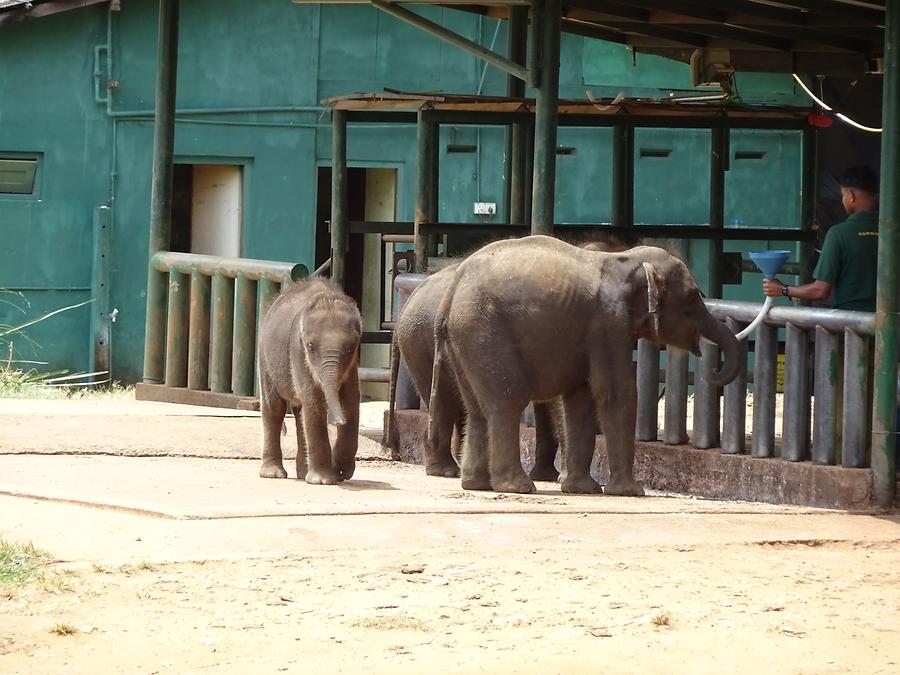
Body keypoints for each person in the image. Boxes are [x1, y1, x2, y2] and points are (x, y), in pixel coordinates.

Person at [763, 165, 879, 312]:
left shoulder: (839, 234)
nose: (843, 201)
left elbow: (820, 291)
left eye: (842, 196)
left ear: (851, 195)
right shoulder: (893, 232)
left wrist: (783, 289)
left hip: (851, 325)